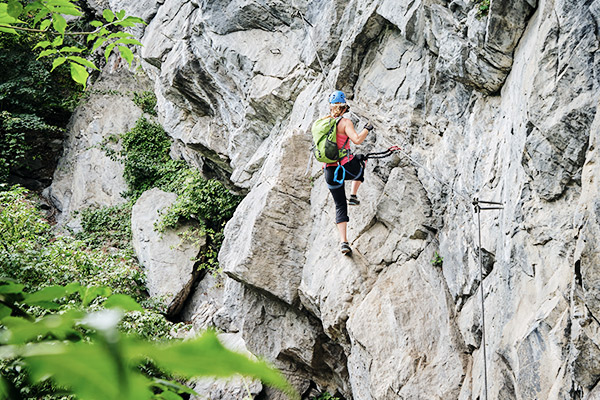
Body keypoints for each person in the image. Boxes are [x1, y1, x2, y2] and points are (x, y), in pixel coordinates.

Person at [322, 90, 373, 255]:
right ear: (344, 107)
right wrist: (367, 128)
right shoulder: (345, 122)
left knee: (339, 205)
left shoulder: (323, 122)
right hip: (346, 168)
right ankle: (353, 195)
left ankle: (344, 242)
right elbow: (357, 139)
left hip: (329, 170)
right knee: (361, 161)